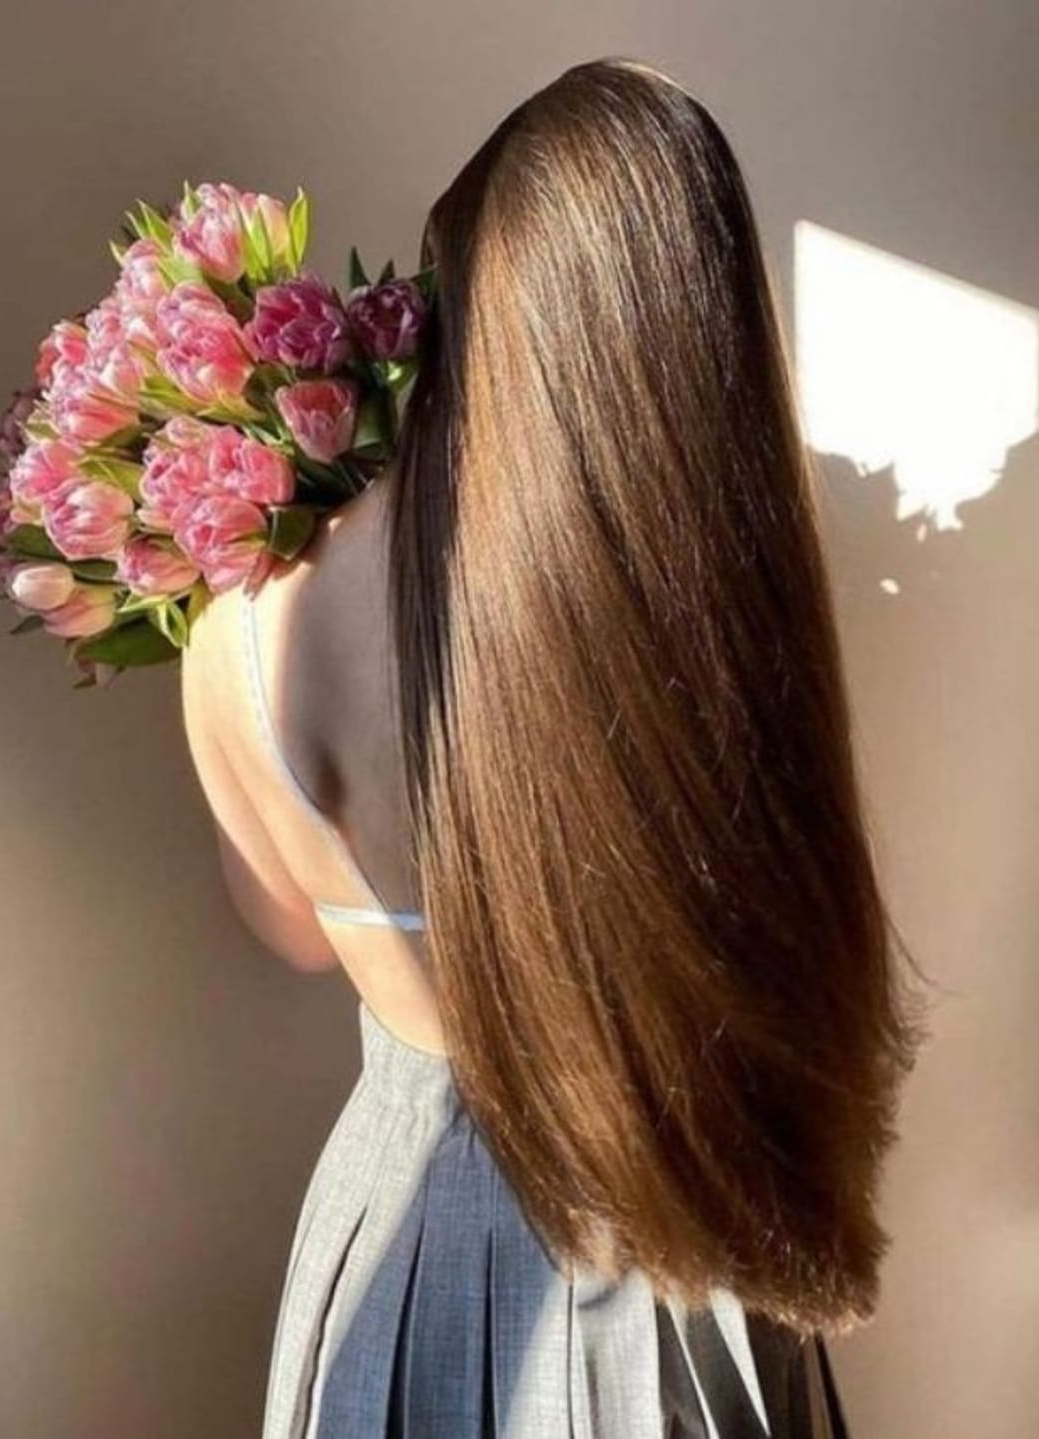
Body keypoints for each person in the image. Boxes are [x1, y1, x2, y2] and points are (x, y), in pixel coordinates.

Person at [180, 55, 928, 1438]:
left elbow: (292, 932)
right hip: (675, 1219)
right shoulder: (714, 615)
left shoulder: (243, 624)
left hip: (400, 1236)